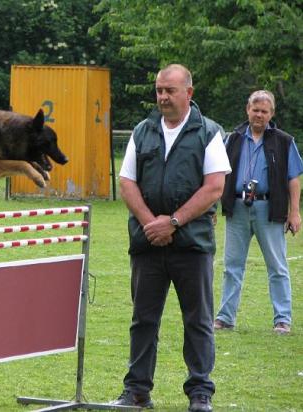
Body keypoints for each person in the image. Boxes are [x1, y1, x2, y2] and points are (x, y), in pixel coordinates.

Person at [114, 64, 231, 412]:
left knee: (197, 320)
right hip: (147, 243)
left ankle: (199, 392)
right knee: (143, 320)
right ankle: (136, 391)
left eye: (170, 90)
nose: (163, 96)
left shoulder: (208, 132)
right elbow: (127, 182)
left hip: (192, 245)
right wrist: (152, 224)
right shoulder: (142, 130)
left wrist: (175, 222)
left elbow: (214, 187)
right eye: (159, 90)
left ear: (188, 93)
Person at [214, 90, 303, 335]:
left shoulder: (284, 141)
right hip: (238, 208)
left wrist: (294, 212)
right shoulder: (232, 139)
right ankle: (225, 317)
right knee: (232, 266)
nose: (259, 115)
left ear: (271, 114)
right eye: (255, 110)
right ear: (248, 110)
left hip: (269, 209)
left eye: (264, 111)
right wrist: (212, 206)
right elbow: (217, 174)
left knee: (277, 266)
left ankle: (282, 319)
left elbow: (294, 178)